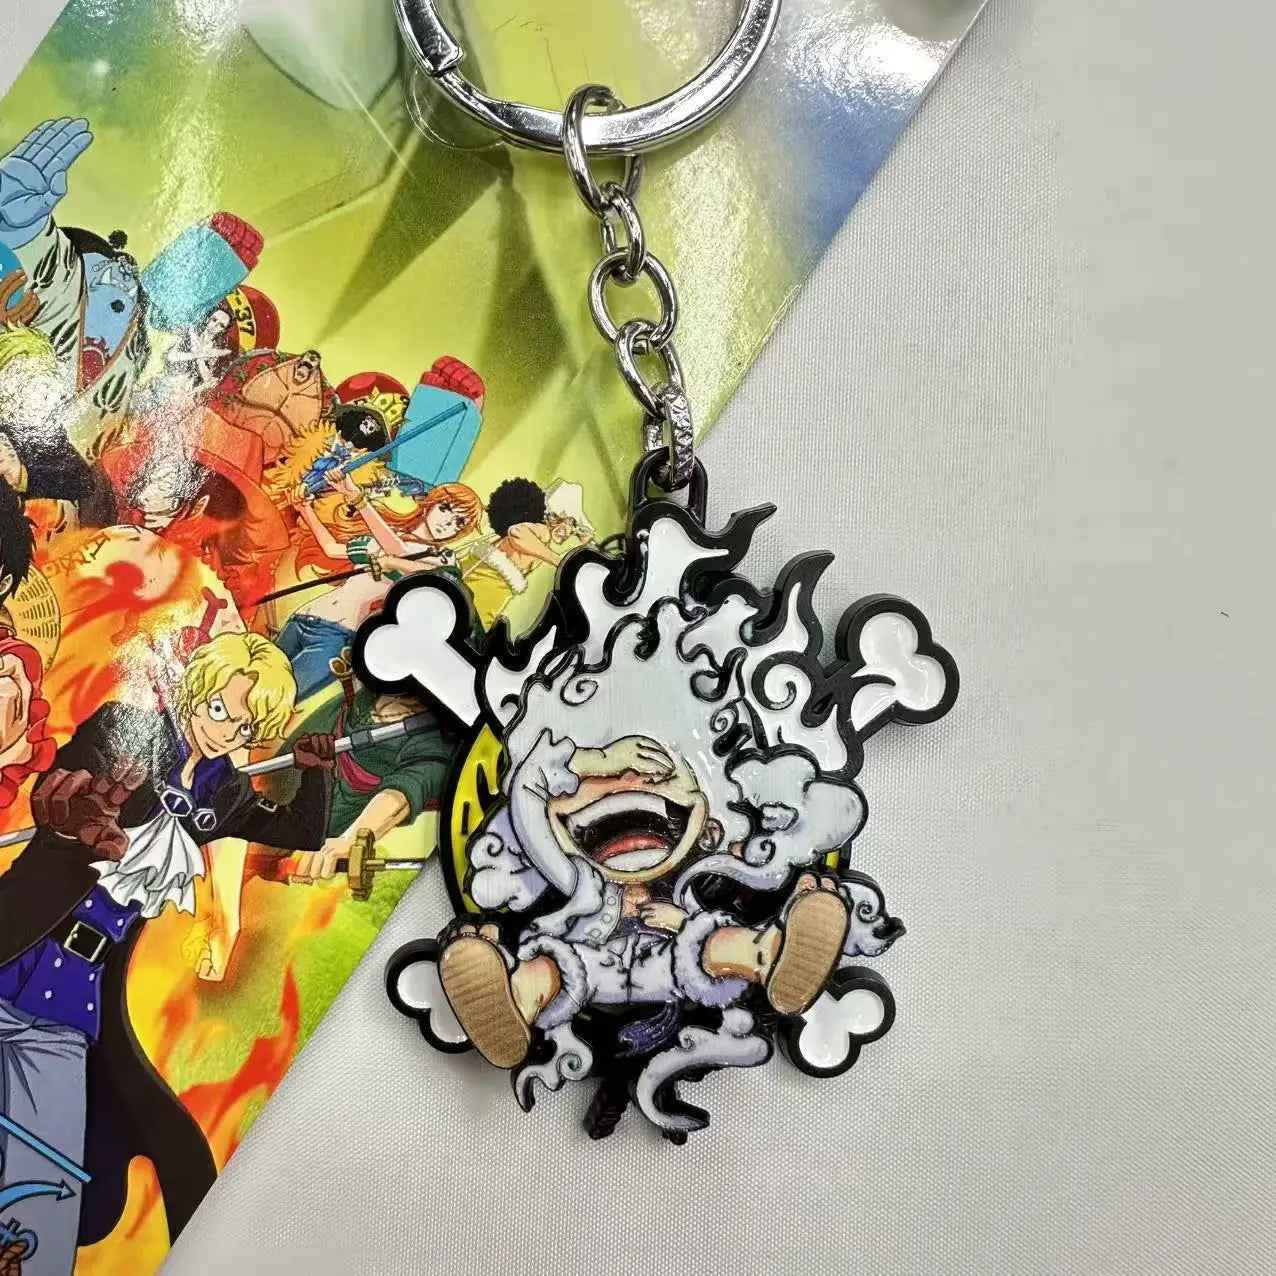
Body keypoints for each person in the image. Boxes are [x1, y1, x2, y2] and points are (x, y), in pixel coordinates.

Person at [0, 632, 335, 1275]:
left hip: (72, 1002)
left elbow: (298, 831)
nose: (225, 730)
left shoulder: (225, 793)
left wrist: (314, 772)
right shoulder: (126, 728)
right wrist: (73, 820)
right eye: (219, 708)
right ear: (195, 689)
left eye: (244, 726)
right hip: (15, 946)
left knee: (49, 1170)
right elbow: (61, 786)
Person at [279, 481, 482, 701]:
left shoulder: (443, 559)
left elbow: (409, 560)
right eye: (445, 508)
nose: (448, 522)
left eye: (459, 522)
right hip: (302, 617)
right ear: (429, 504)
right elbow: (332, 549)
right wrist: (304, 509)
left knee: (280, 700)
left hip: (336, 636)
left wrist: (360, 501)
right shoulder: (386, 535)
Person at [462, 477, 594, 629]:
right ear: (555, 517)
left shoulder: (542, 538)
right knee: (475, 619)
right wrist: (557, 560)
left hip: (495, 582)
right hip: (490, 581)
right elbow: (516, 533)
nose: (568, 532)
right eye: (569, 523)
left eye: (573, 526)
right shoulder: (542, 532)